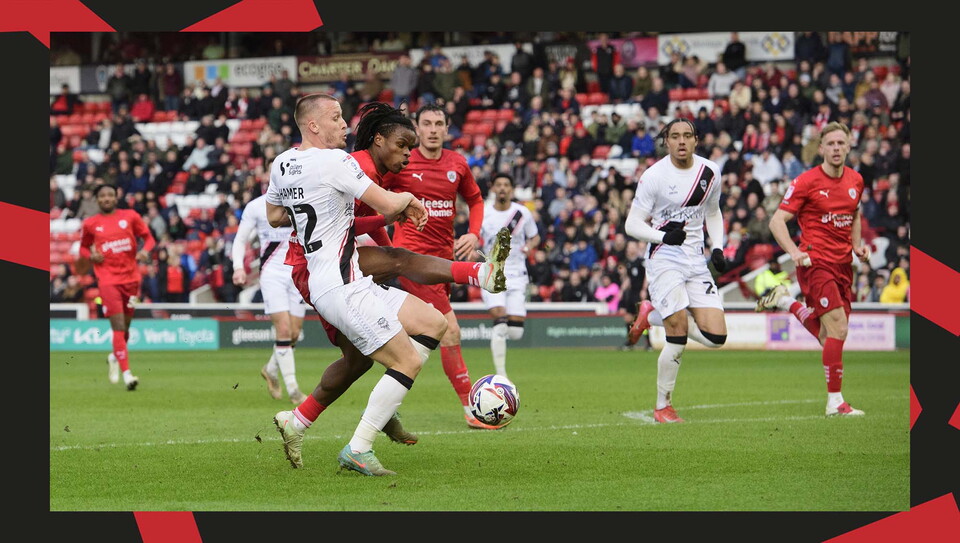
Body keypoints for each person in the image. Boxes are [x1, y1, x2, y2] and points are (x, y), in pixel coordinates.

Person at [279, 101, 511, 451]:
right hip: (316, 264)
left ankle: (301, 420)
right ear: (378, 141)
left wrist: (389, 240)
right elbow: (344, 224)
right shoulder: (353, 166)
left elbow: (342, 223)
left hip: (338, 259)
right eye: (403, 146)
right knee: (401, 273)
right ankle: (478, 273)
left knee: (357, 361)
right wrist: (395, 215)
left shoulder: (367, 169)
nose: (409, 154)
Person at [267, 93, 447, 476]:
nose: (345, 124)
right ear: (313, 125)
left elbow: (273, 215)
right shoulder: (336, 161)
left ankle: (299, 422)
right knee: (407, 361)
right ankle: (359, 447)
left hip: (341, 278)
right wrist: (410, 199)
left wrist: (311, 211)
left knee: (434, 323)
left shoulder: (281, 163)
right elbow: (385, 204)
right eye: (335, 117)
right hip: (341, 286)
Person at [382, 103, 502, 430]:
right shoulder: (402, 163)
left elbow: (475, 200)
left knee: (419, 341)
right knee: (450, 331)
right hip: (412, 262)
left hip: (444, 262)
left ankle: (385, 402)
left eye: (439, 124)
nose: (433, 129)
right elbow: (374, 194)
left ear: (447, 129)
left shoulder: (457, 164)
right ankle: (471, 408)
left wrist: (474, 234)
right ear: (417, 129)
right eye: (427, 123)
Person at [755, 122, 870, 417]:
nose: (835, 149)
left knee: (829, 336)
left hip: (844, 265)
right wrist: (794, 252)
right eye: (830, 143)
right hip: (816, 263)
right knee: (840, 327)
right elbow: (776, 222)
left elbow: (854, 214)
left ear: (848, 146)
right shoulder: (806, 181)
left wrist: (857, 246)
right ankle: (835, 402)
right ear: (821, 148)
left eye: (840, 143)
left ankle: (785, 301)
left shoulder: (856, 180)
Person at [622, 119, 728, 423]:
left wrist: (718, 247)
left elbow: (713, 211)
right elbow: (632, 224)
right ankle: (662, 406)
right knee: (678, 333)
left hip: (696, 260)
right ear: (666, 142)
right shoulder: (653, 176)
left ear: (696, 140)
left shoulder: (710, 172)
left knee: (716, 338)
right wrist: (662, 237)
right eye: (675, 136)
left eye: (687, 136)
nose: (681, 141)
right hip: (664, 258)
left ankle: (651, 314)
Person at [75, 184, 156, 391]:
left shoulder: (130, 216)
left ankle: (114, 356)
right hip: (108, 281)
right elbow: (83, 248)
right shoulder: (91, 224)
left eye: (110, 194)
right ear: (97, 200)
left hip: (132, 280)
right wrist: (90, 255)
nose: (107, 199)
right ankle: (128, 374)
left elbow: (149, 238)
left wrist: (145, 251)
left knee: (126, 328)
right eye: (102, 196)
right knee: (118, 326)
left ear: (116, 197)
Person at [230, 194, 308, 405]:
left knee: (293, 333)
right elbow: (240, 239)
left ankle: (270, 370)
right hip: (272, 272)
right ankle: (294, 391)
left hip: (299, 270)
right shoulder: (256, 206)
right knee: (283, 330)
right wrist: (238, 267)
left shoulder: (302, 198)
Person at [478, 173, 540, 379]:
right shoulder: (483, 214)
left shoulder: (522, 213)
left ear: (512, 189)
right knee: (500, 318)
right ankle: (502, 376)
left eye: (506, 185)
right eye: (499, 185)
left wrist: (529, 247)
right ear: (493, 188)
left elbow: (535, 236)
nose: (502, 188)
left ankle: (502, 365)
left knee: (515, 332)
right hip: (493, 272)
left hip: (517, 274)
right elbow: (475, 240)